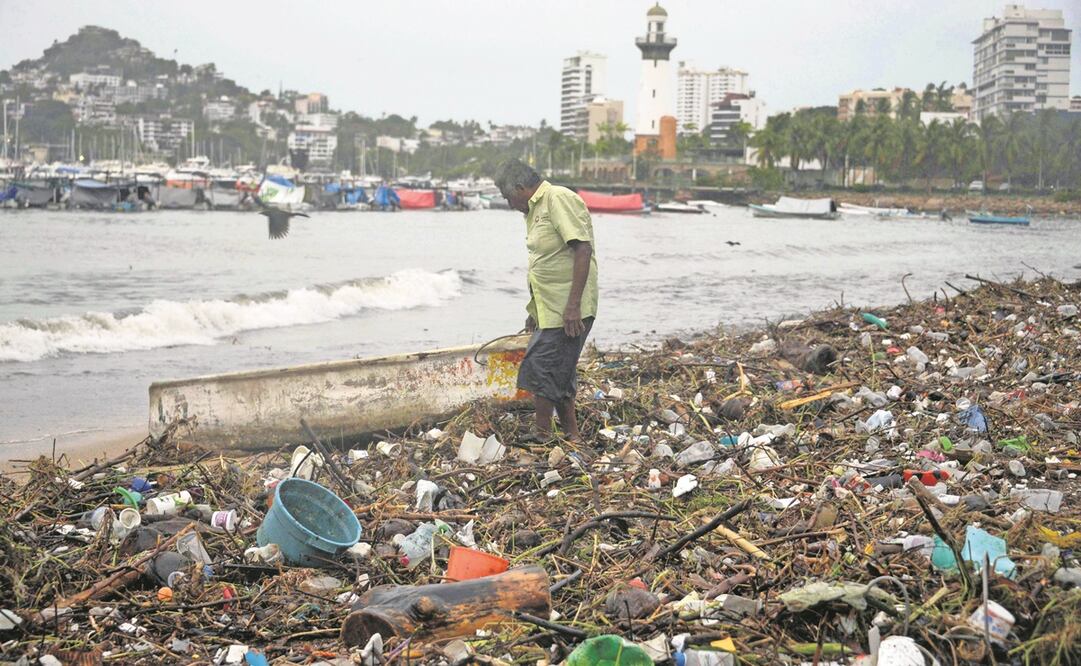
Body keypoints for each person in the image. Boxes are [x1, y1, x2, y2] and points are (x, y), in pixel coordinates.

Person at [494, 159, 599, 444]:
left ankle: (542, 434)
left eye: (508, 197)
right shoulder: (534, 210)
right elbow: (546, 262)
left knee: (541, 366)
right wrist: (535, 310)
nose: (509, 204)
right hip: (551, 307)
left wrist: (573, 306)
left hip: (569, 308)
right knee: (560, 370)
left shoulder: (557, 199)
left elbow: (582, 249)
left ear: (520, 187)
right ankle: (572, 436)